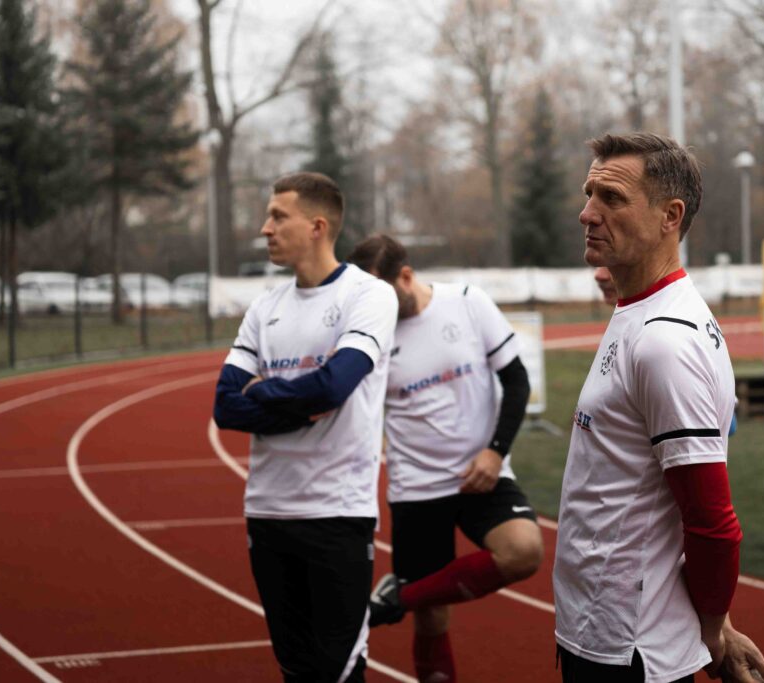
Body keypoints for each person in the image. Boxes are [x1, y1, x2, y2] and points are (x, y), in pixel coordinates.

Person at [553, 133, 764, 683]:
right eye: (589, 194)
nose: (588, 213)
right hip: (604, 630)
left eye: (612, 198)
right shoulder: (641, 310)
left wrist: (713, 628)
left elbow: (713, 522)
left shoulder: (664, 341)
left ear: (669, 216)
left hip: (627, 646)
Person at [212, 172, 397, 683]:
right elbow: (225, 407)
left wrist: (262, 392)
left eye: (278, 216)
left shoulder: (369, 296)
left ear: (317, 226)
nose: (265, 228)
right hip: (267, 511)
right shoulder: (264, 307)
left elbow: (333, 388)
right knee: (295, 670)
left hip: (336, 512)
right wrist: (298, 403)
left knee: (337, 672)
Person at [348, 234, 543, 683]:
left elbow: (516, 382)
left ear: (406, 276)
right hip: (416, 489)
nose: (375, 306)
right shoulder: (372, 333)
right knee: (432, 617)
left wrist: (495, 452)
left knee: (524, 550)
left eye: (381, 293)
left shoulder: (469, 303)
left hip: (483, 475)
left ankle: (398, 597)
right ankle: (410, 600)